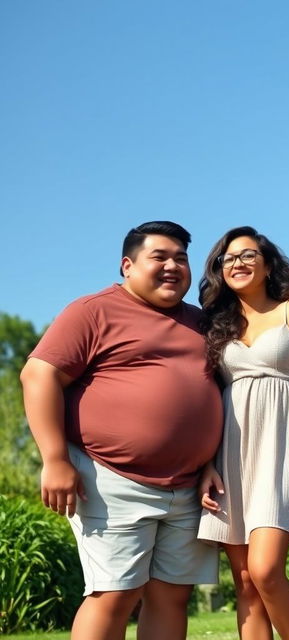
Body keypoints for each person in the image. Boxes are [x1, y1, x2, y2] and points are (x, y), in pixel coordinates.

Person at [20, 221, 223, 640]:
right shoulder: (93, 311)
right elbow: (38, 376)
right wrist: (54, 459)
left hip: (187, 488)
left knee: (171, 596)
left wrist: (210, 462)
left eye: (180, 258)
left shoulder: (202, 323)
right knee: (114, 594)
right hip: (110, 478)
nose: (172, 266)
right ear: (127, 266)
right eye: (159, 257)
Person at [197, 226, 289, 640]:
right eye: (228, 258)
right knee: (245, 582)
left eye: (247, 255)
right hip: (232, 451)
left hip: (285, 442)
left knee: (265, 570)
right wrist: (205, 461)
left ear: (268, 263)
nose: (237, 263)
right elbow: (205, 396)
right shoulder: (216, 325)